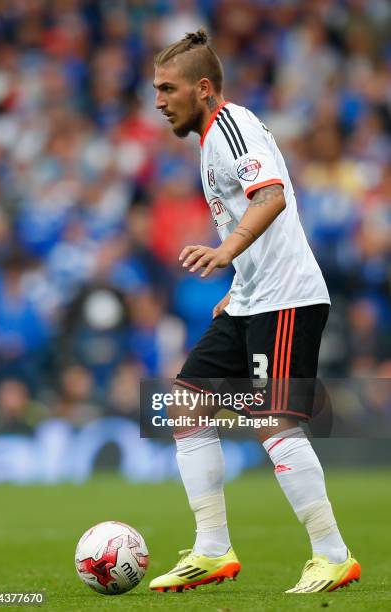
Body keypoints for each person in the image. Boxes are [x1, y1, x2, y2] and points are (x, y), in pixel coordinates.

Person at [150, 28, 361, 594]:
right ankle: (212, 548)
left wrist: (225, 252)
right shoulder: (211, 139)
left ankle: (333, 554)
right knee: (186, 405)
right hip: (251, 298)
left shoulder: (232, 127)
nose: (158, 100)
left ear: (202, 87)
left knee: (273, 421)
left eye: (168, 88)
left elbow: (271, 196)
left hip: (286, 297)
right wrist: (238, 278)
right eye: (155, 89)